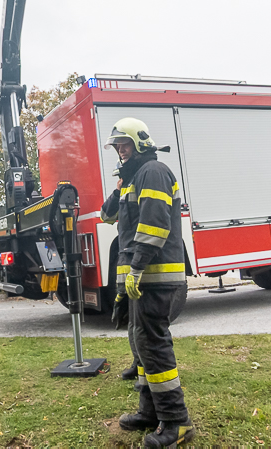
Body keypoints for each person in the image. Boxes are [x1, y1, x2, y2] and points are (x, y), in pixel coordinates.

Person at [105, 117, 195, 447]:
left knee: (154, 346)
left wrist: (137, 268)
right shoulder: (134, 177)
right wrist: (120, 185)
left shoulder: (153, 172)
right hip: (143, 280)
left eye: (124, 144)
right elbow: (107, 215)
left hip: (155, 277)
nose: (120, 150)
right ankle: (150, 411)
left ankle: (177, 421)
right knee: (142, 345)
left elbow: (154, 226)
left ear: (140, 142)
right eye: (117, 146)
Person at [102, 167, 142, 384]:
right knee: (131, 319)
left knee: (142, 321)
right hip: (126, 262)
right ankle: (138, 362)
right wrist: (117, 192)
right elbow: (106, 216)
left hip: (139, 263)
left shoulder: (142, 186)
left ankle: (146, 367)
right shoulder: (122, 193)